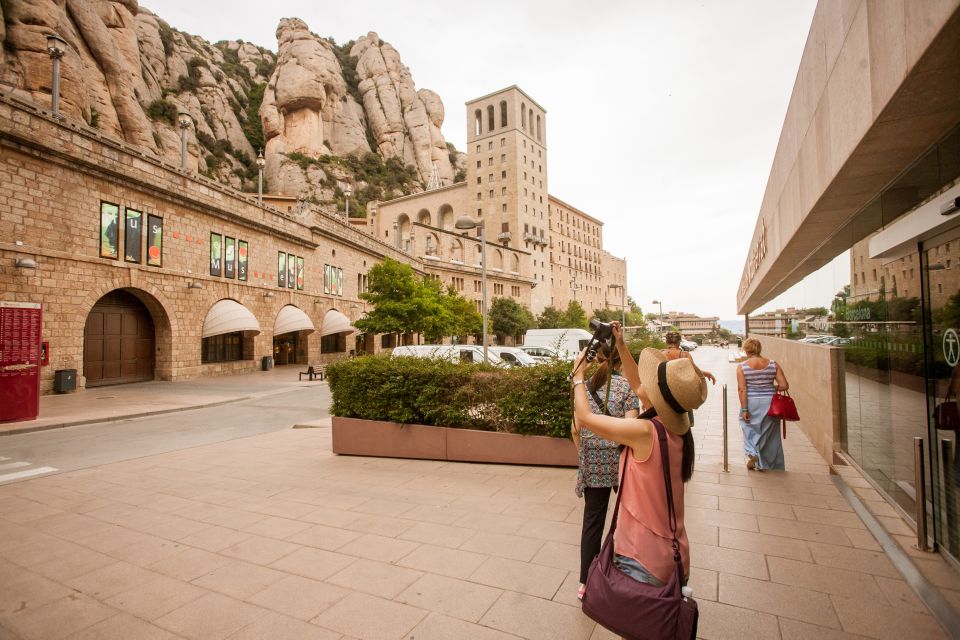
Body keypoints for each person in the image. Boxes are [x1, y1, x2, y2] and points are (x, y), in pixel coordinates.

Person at [571, 330, 707, 592]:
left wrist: (577, 379)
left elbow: (585, 419)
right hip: (675, 554)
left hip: (643, 559)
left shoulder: (646, 433)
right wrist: (620, 344)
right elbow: (635, 385)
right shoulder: (679, 433)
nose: (644, 385)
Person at [571, 345, 639, 600]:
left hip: (593, 461)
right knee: (628, 521)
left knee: (592, 522)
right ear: (619, 361)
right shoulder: (627, 388)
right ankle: (627, 577)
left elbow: (577, 427)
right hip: (621, 461)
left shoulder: (583, 386)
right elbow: (631, 428)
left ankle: (586, 582)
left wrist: (585, 454)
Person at [736, 338, 789, 470]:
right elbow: (784, 385)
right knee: (769, 434)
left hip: (752, 401)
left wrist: (744, 409)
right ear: (759, 349)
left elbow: (742, 389)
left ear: (746, 350)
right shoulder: (773, 364)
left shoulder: (742, 367)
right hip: (770, 402)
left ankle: (752, 452)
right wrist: (770, 388)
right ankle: (767, 464)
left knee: (748, 427)